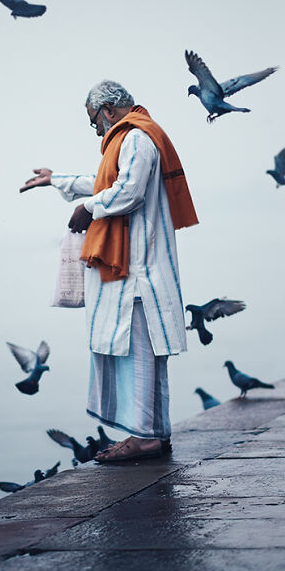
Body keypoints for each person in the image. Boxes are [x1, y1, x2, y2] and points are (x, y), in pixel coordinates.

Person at [20, 80, 198, 461]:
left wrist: (88, 209)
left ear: (108, 110)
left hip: (139, 274)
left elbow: (128, 191)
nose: (94, 129)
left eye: (93, 120)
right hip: (138, 272)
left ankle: (145, 437)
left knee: (139, 356)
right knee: (141, 356)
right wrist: (57, 180)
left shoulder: (136, 138)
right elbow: (107, 182)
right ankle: (151, 433)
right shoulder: (132, 138)